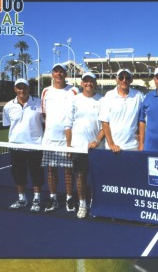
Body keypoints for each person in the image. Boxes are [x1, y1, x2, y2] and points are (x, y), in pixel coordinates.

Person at [64, 71, 105, 219]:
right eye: (85, 81)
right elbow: (68, 125)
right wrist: (69, 146)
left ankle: (95, 203)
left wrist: (97, 141)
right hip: (79, 148)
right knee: (80, 177)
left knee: (97, 177)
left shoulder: (102, 100)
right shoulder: (74, 100)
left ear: (95, 82)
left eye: (91, 80)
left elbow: (104, 126)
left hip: (97, 149)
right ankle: (82, 203)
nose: (88, 83)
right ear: (82, 83)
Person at [2, 78, 44, 212]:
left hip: (35, 146)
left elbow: (44, 121)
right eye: (19, 88)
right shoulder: (8, 106)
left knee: (36, 174)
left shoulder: (38, 103)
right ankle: (22, 199)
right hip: (16, 147)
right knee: (19, 174)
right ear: (15, 89)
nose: (22, 90)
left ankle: (36, 199)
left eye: (24, 87)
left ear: (28, 88)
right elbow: (8, 125)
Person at [41, 63, 79, 213]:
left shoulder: (74, 91)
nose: (58, 74)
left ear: (65, 74)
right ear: (52, 74)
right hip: (49, 139)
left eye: (61, 72)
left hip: (67, 140)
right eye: (56, 71)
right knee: (51, 170)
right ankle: (53, 198)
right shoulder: (45, 91)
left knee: (68, 171)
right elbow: (44, 115)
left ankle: (70, 198)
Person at [98, 68, 144, 153]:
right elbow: (105, 123)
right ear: (117, 80)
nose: (124, 80)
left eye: (127, 78)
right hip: (112, 149)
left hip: (132, 147)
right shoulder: (109, 95)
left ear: (131, 80)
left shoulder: (139, 96)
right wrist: (111, 144)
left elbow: (143, 119)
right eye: (121, 77)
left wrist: (140, 133)